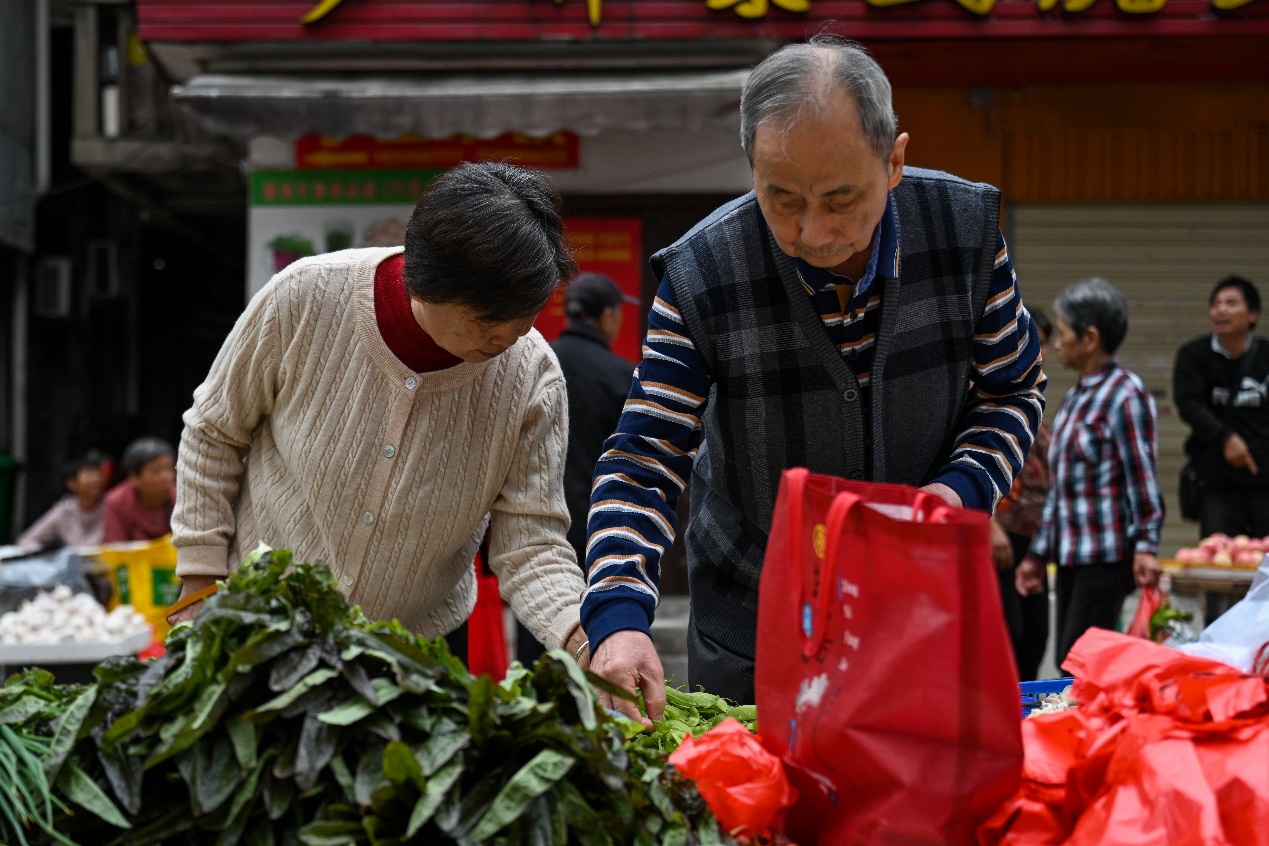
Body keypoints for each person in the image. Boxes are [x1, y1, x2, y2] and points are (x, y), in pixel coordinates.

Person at [581, 36, 1047, 713]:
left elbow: (1011, 389)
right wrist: (618, 614)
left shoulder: (965, 233)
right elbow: (644, 454)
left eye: (840, 198)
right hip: (754, 609)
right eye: (781, 198)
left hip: (919, 597)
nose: (813, 231)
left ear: (893, 161)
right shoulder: (701, 273)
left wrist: (957, 495)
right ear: (751, 171)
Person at [168, 162, 590, 679]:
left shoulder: (532, 377)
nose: (507, 338)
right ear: (424, 280)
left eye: (524, 320)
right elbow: (213, 432)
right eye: (486, 320)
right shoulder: (301, 299)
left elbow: (532, 541)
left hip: (418, 652)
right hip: (267, 628)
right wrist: (199, 577)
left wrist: (582, 635)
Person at [1017, 278, 1164, 668]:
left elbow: (1142, 480)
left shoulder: (1125, 395)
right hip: (1070, 558)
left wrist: (1147, 546)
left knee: (1079, 666)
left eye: (1063, 334)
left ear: (1091, 338)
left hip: (1105, 559)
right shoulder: (1076, 399)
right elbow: (1061, 493)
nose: (1057, 343)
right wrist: (1036, 557)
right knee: (1072, 665)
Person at [512, 273, 636, 667]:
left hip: (534, 528)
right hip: (599, 529)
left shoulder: (535, 365)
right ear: (606, 316)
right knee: (595, 643)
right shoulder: (621, 375)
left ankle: (535, 717)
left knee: (539, 636)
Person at [1173, 275, 1269, 538]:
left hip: (1264, 481)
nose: (1221, 310)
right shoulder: (1194, 355)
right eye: (1215, 304)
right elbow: (1189, 404)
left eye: (1231, 303)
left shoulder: (1265, 355)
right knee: (1219, 562)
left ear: (1252, 315)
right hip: (1217, 483)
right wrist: (1225, 438)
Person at [990, 307, 1053, 681]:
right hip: (1000, 536)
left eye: (1043, 341)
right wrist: (990, 526)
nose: (1038, 348)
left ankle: (1028, 717)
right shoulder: (986, 391)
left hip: (1035, 539)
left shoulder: (1038, 399)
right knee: (1007, 634)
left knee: (1036, 636)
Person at [15, 454, 106, 552]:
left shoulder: (111, 507)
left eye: (97, 474)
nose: (95, 479)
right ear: (72, 483)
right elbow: (27, 540)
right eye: (89, 475)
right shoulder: (64, 511)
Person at [102, 437, 177, 543]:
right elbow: (115, 547)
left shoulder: (181, 499)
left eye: (169, 469)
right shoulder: (115, 502)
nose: (166, 477)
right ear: (134, 477)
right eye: (156, 471)